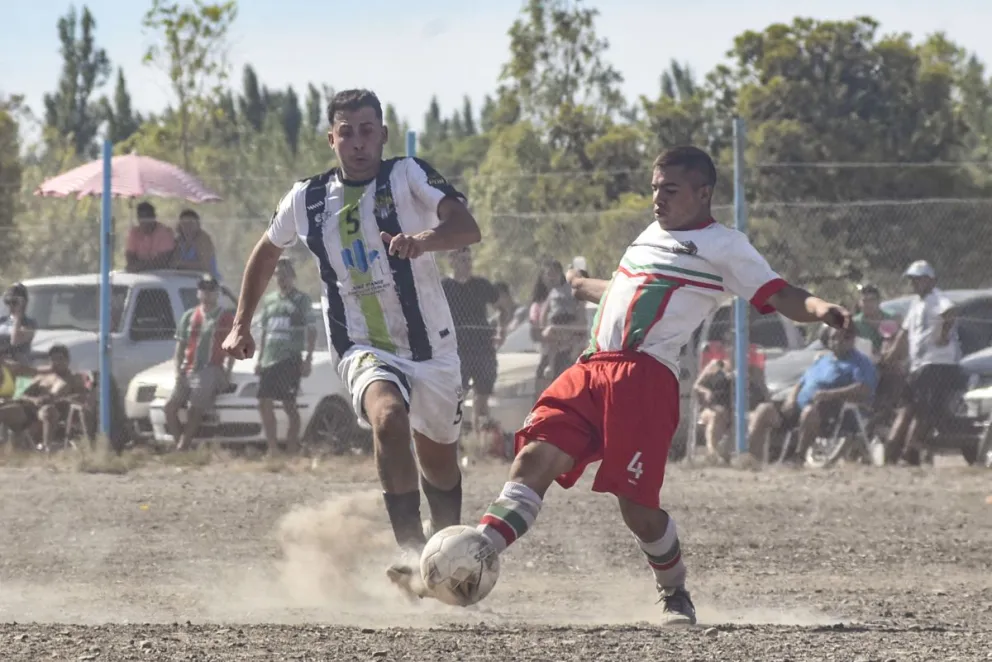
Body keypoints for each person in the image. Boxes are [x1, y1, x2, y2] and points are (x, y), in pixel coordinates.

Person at [434, 146, 849, 626]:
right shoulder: (651, 233)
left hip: (643, 381)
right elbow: (623, 289)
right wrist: (581, 284)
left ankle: (674, 592)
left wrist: (822, 309)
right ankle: (475, 555)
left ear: (703, 193)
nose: (658, 198)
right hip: (590, 369)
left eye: (669, 190)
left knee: (637, 509)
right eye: (654, 188)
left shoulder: (725, 246)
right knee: (533, 459)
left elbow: (781, 293)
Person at [220, 89, 482, 588]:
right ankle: (409, 555)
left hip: (433, 347)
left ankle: (441, 553)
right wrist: (240, 324)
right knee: (387, 417)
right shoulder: (308, 197)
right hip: (361, 342)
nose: (358, 142)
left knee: (441, 464)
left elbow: (466, 228)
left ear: (383, 134)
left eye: (367, 131)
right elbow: (266, 251)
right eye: (347, 133)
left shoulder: (408, 175)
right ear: (331, 139)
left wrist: (421, 240)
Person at [747, 325, 877, 462]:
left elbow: (864, 388)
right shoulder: (823, 360)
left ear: (852, 339)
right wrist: (791, 398)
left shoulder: (860, 362)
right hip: (796, 408)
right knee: (764, 409)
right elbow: (801, 382)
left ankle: (798, 458)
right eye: (834, 337)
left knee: (809, 412)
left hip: (831, 413)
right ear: (828, 340)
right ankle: (751, 459)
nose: (839, 341)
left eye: (845, 337)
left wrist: (830, 394)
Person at [880, 260, 962, 465]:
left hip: (937, 364)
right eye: (912, 280)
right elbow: (905, 334)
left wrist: (942, 334)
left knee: (921, 410)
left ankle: (909, 453)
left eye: (919, 279)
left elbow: (950, 312)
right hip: (919, 365)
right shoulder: (916, 304)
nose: (915, 284)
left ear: (931, 280)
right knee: (909, 408)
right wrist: (890, 356)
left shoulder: (937, 298)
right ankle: (893, 453)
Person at [441, 247, 515, 435]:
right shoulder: (444, 287)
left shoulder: (480, 285)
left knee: (482, 400)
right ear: (452, 261)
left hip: (483, 349)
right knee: (457, 397)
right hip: (457, 350)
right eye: (463, 260)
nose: (468, 264)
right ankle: (453, 441)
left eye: (469, 260)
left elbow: (504, 307)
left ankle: (481, 443)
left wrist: (502, 331)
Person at [164, 275, 235, 451]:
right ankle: (181, 443)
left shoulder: (224, 317)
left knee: (194, 407)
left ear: (217, 293)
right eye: (203, 289)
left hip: (210, 368)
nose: (207, 293)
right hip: (188, 369)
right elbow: (180, 346)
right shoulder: (189, 316)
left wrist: (228, 370)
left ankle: (183, 447)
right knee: (169, 408)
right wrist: (178, 370)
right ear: (198, 292)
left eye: (211, 290)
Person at [255, 258, 317, 455]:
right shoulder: (270, 300)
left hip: (289, 358)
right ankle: (272, 447)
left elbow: (311, 330)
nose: (282, 279)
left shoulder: (301, 300)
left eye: (286, 274)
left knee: (289, 405)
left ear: (293, 276)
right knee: (264, 401)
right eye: (278, 275)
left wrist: (308, 359)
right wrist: (259, 358)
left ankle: (291, 448)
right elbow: (264, 331)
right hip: (269, 359)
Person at [693, 331, 769, 463]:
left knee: (751, 418)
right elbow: (697, 386)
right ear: (726, 348)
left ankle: (747, 458)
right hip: (714, 407)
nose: (735, 349)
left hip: (740, 410)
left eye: (741, 346)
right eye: (731, 345)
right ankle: (713, 454)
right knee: (719, 414)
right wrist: (706, 391)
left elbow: (764, 391)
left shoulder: (752, 369)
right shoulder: (715, 365)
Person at [0, 345, 88, 450]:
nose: (57, 362)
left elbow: (82, 397)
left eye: (60, 358)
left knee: (48, 410)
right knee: (4, 411)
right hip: (31, 409)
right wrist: (34, 399)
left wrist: (59, 399)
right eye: (53, 359)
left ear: (67, 360)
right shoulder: (43, 377)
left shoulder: (74, 378)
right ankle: (4, 446)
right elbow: (22, 395)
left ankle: (47, 448)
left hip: (55, 411)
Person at [126, 202, 176, 272]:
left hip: (162, 274)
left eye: (148, 217)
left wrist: (140, 266)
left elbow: (163, 261)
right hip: (139, 274)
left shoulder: (165, 232)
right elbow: (130, 256)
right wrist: (136, 266)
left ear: (154, 217)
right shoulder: (134, 232)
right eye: (141, 217)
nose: (145, 221)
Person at [852, 284, 899, 357]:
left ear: (879, 301)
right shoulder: (855, 322)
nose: (868, 304)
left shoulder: (892, 317)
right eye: (864, 301)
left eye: (871, 300)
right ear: (860, 303)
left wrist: (872, 323)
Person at [171, 209, 219, 277]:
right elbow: (173, 263)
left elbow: (204, 266)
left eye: (191, 223)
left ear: (198, 224)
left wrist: (182, 265)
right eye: (184, 223)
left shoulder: (203, 239)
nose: (188, 227)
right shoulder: (180, 240)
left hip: (207, 279)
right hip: (185, 278)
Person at [0, 283, 36, 364]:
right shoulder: (2, 320)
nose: (12, 305)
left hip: (19, 369)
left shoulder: (30, 323)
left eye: (15, 302)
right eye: (10, 301)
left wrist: (18, 315)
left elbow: (15, 341)